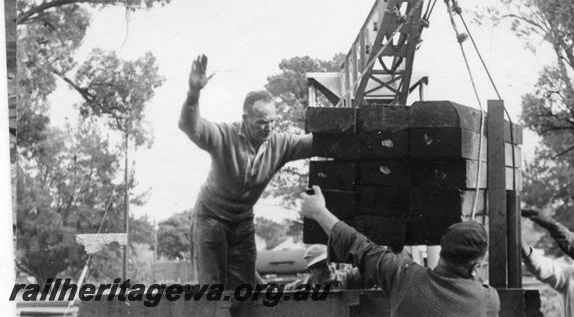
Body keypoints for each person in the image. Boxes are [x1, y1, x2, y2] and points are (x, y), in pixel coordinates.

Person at [179, 54, 313, 288]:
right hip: (211, 219)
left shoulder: (279, 143)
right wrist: (193, 93)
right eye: (262, 122)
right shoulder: (224, 136)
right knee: (212, 289)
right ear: (245, 119)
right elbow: (191, 126)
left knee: (246, 290)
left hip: (242, 222)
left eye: (273, 121)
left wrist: (344, 124)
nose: (269, 127)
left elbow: (312, 143)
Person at [300, 185, 500, 316]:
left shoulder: (405, 277)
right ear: (476, 265)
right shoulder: (488, 299)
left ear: (442, 251)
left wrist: (318, 211)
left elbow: (358, 245)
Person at [288, 244, 369, 290]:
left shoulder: (347, 278)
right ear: (310, 271)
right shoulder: (298, 287)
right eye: (321, 266)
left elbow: (369, 269)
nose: (329, 269)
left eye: (330, 263)